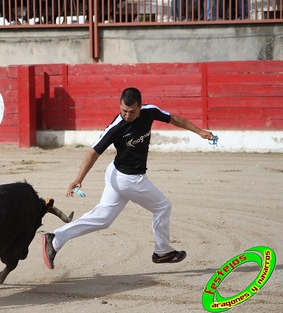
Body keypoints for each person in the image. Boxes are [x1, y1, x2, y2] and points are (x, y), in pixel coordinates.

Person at [42, 87, 214, 270]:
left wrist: (199, 131)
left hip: (119, 175)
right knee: (163, 206)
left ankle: (55, 239)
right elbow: (93, 152)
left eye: (132, 111)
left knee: (103, 219)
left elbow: (174, 118)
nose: (127, 115)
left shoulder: (150, 111)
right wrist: (78, 179)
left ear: (140, 107)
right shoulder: (117, 126)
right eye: (124, 110)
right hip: (128, 178)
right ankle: (162, 252)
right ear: (120, 106)